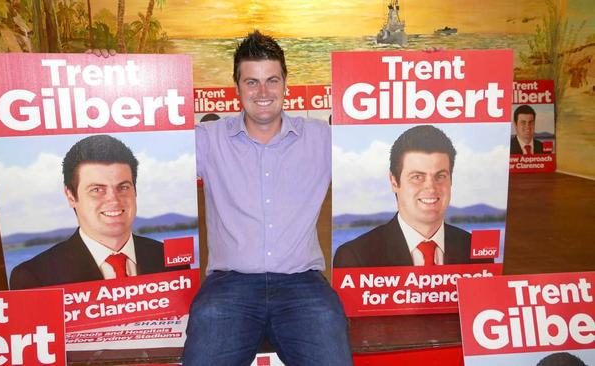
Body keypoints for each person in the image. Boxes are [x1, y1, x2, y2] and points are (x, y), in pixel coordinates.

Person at [182, 31, 352, 366]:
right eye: (252, 82)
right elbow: (137, 140)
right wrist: (103, 72)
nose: (263, 92)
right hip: (228, 288)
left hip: (303, 286)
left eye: (272, 80)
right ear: (237, 87)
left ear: (286, 83)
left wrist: (421, 69)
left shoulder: (322, 139)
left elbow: (391, 133)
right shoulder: (207, 140)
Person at [10, 134, 187, 289]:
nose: (114, 200)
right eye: (97, 189)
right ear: (71, 196)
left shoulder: (171, 261)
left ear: (135, 190)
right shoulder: (34, 277)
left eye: (123, 187)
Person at [334, 125, 493, 268]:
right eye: (417, 177)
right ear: (394, 181)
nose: (431, 187)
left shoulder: (477, 251)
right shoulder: (356, 257)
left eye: (440, 176)